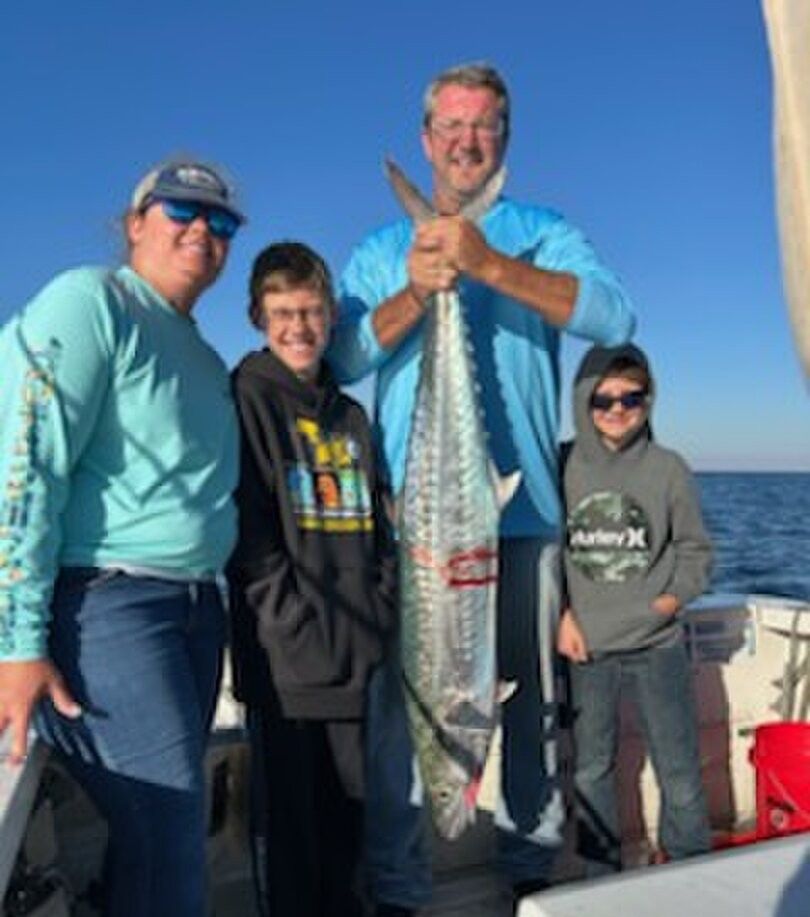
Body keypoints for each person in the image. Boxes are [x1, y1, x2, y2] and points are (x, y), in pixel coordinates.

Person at [327, 62, 636, 914]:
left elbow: (615, 318)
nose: (467, 141)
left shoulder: (543, 230)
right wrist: (418, 290)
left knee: (531, 707)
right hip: (418, 526)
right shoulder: (382, 249)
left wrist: (489, 265)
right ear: (427, 140)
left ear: (505, 138)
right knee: (405, 713)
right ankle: (398, 885)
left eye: (484, 126)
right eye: (452, 126)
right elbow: (342, 357)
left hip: (525, 516)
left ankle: (530, 869)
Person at [0, 158, 244, 916]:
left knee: (157, 832)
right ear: (135, 224)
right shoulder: (91, 301)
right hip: (108, 606)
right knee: (170, 829)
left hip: (197, 608)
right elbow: (25, 466)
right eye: (180, 210)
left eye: (220, 221)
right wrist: (16, 643)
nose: (201, 229)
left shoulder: (204, 355)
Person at [227, 242, 397, 917]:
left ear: (331, 316)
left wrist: (379, 612)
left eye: (311, 312)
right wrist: (295, 629)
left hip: (357, 665)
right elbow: (251, 538)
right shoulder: (246, 399)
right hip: (287, 676)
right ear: (258, 318)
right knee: (294, 852)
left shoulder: (351, 417)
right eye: (282, 314)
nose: (298, 328)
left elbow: (381, 531)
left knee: (349, 844)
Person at [557, 343, 712, 874]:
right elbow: (546, 552)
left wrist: (668, 601)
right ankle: (599, 876)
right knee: (591, 768)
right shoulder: (560, 464)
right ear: (583, 400)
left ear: (649, 401)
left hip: (658, 645)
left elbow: (696, 552)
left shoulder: (669, 469)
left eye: (632, 398)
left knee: (679, 768)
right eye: (603, 399)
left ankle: (689, 867)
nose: (617, 409)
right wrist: (562, 615)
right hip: (588, 648)